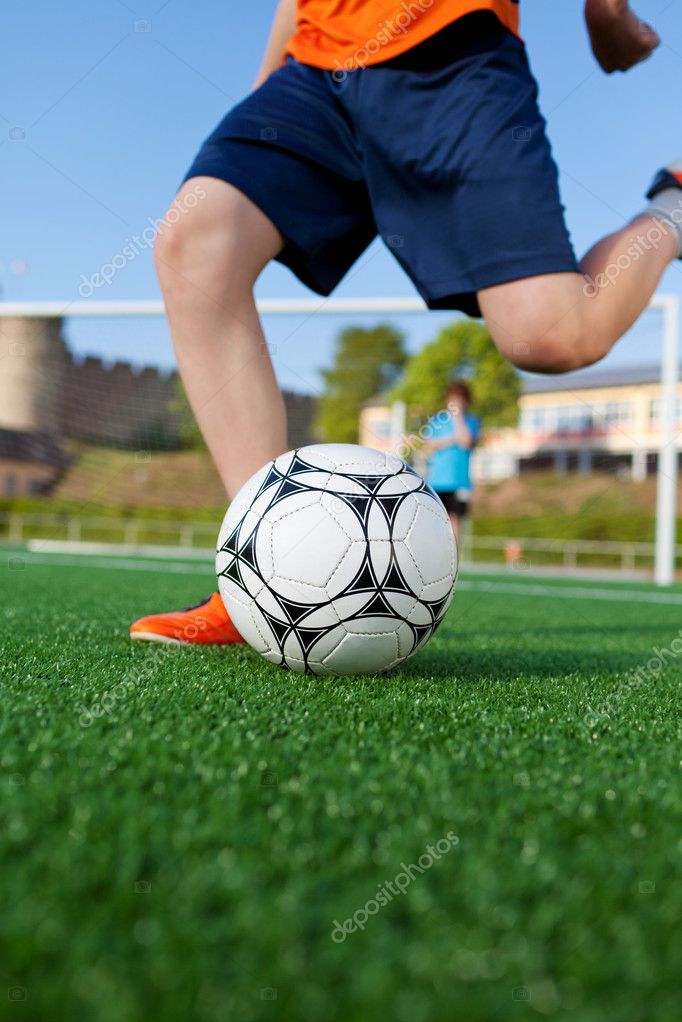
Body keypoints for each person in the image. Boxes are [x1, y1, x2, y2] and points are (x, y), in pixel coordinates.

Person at [131, 0, 681, 645]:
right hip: (316, 68)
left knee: (555, 335)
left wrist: (606, 14)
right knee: (195, 246)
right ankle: (257, 575)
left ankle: (671, 206)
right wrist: (261, 104)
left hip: (455, 56)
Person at [423, 382, 480, 547]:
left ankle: (454, 557)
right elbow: (429, 445)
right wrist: (452, 439)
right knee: (436, 518)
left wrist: (458, 418)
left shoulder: (471, 421)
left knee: (455, 518)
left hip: (459, 481)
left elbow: (466, 442)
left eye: (460, 399)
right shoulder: (437, 420)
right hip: (437, 480)